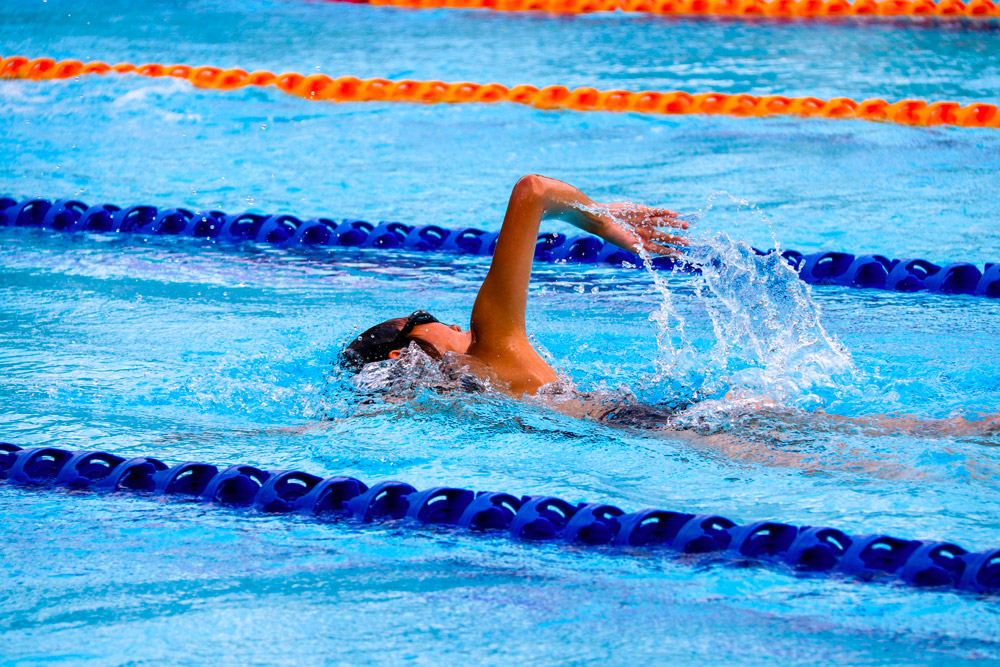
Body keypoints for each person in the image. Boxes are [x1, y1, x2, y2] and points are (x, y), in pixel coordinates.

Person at [341, 174, 688, 399]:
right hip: (648, 426)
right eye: (425, 318)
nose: (455, 325)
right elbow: (533, 190)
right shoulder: (490, 340)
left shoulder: (458, 405)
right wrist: (603, 221)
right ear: (402, 356)